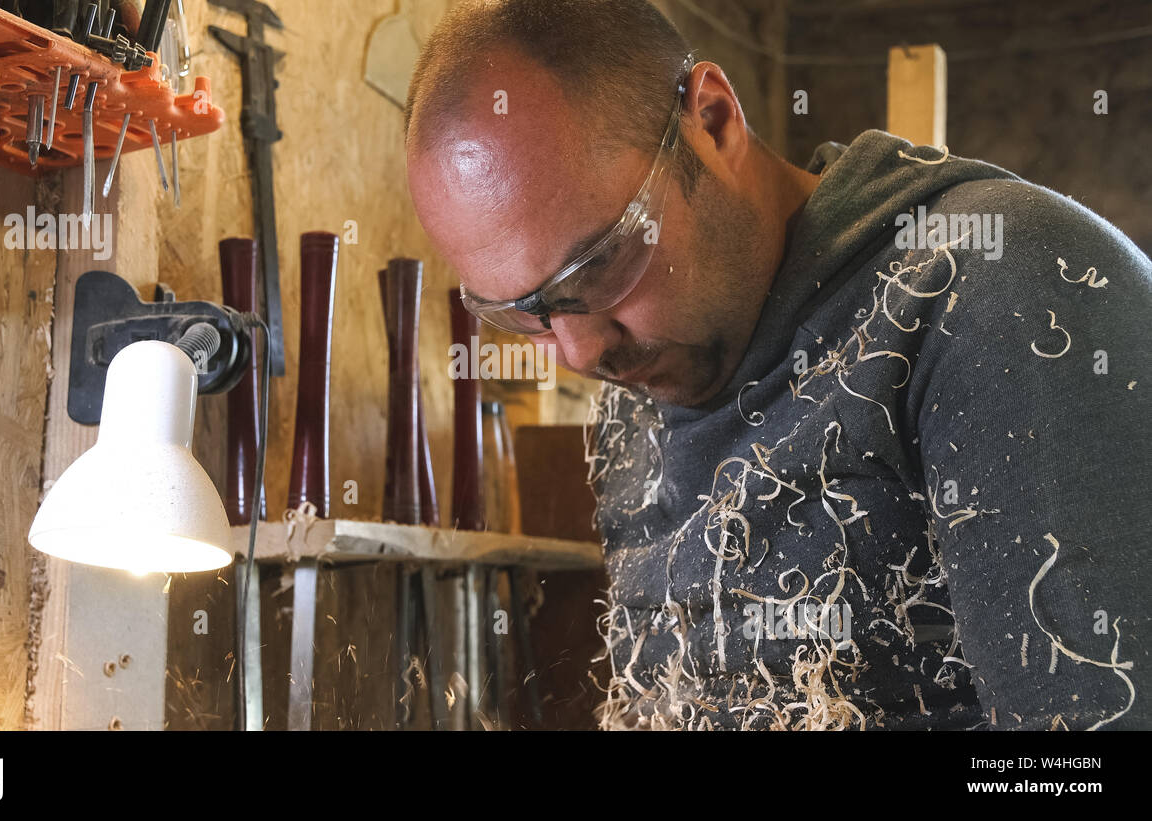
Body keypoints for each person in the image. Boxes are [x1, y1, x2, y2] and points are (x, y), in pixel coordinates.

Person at [403, 0, 1151, 729]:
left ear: (714, 121)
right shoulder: (634, 391)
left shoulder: (993, 291)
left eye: (600, 267)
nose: (581, 353)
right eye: (525, 314)